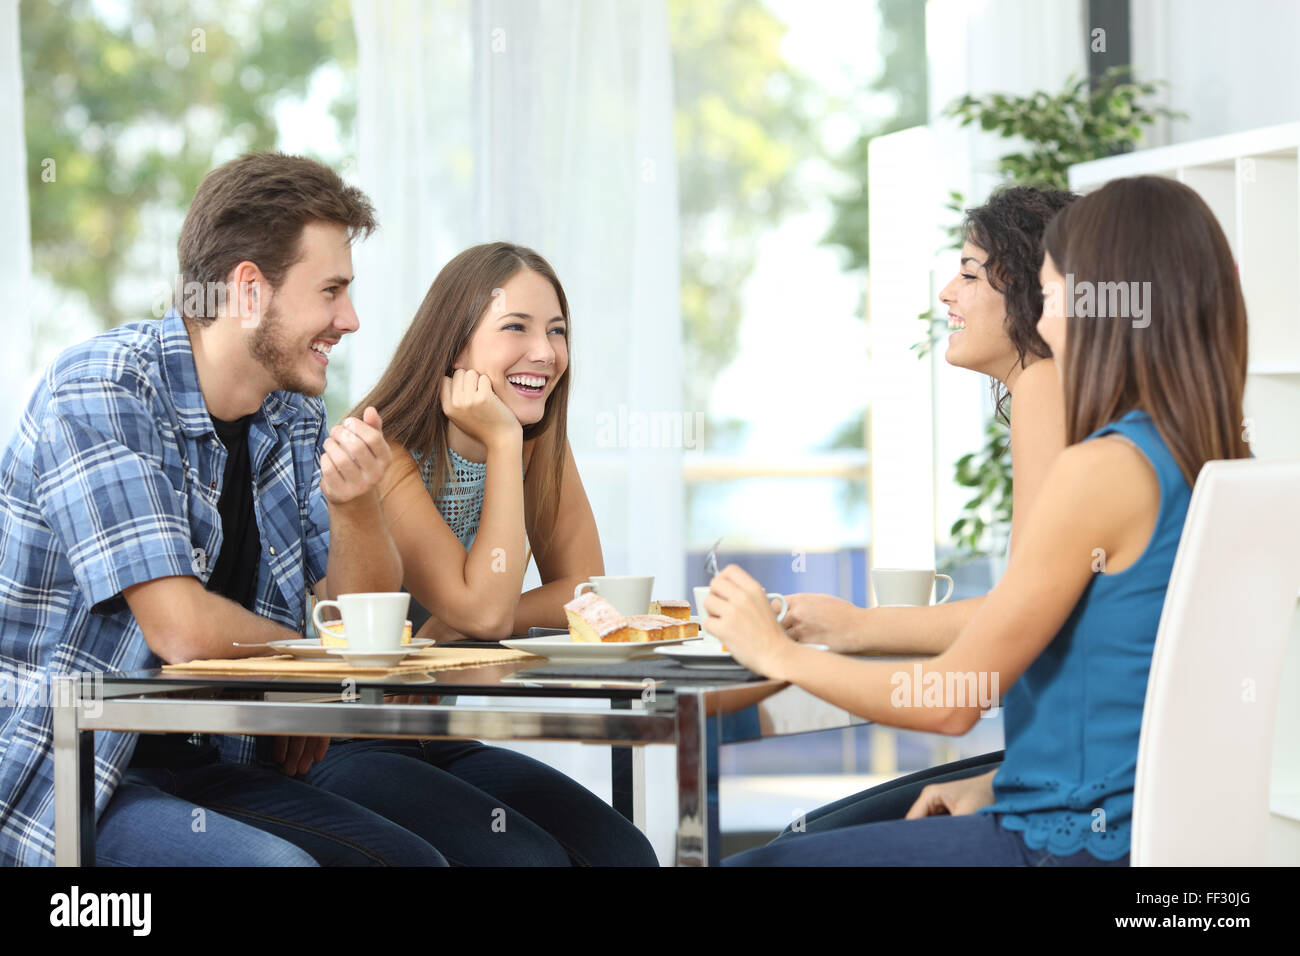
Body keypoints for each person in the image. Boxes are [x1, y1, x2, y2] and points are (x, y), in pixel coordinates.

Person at [712, 174, 1250, 865]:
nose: (1046, 324)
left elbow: (949, 701)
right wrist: (1000, 780)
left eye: (1052, 296)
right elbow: (1143, 688)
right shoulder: (1213, 459)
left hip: (1059, 848)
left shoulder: (1106, 471)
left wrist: (775, 652)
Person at [0, 152, 446, 865]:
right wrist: (299, 675)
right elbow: (182, 630)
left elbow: (362, 628)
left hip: (215, 761)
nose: (351, 319)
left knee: (411, 862)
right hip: (76, 774)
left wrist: (356, 507)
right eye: (331, 290)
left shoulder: (294, 415)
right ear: (247, 290)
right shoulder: (104, 389)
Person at [300, 242, 659, 866]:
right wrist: (499, 438)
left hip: (434, 736)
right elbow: (486, 612)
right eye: (515, 328)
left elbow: (586, 593)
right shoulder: (390, 452)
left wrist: (446, 629)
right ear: (454, 347)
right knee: (529, 862)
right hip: (340, 745)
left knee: (623, 853)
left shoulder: (538, 441)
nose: (545, 353)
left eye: (557, 331)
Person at [770, 186, 1077, 834]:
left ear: (1029, 288)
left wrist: (848, 630)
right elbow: (1030, 607)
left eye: (968, 272)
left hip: (1059, 802)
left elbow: (1004, 638)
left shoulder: (1043, 384)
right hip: (1048, 768)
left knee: (786, 847)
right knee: (814, 833)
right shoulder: (1055, 392)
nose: (947, 293)